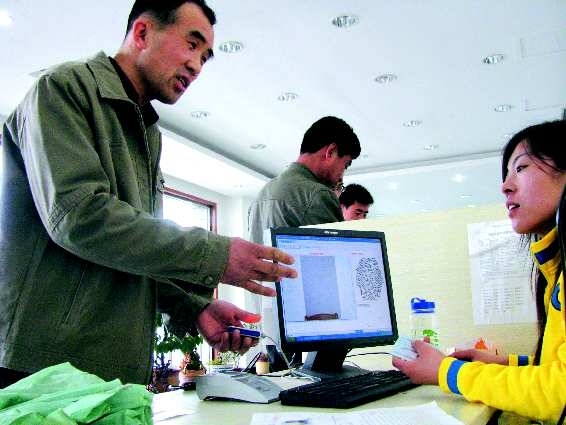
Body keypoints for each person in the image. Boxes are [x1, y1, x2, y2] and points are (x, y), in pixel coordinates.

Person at [0, 0, 297, 388]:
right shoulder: (62, 88)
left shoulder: (149, 133)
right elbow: (78, 217)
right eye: (192, 44)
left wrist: (195, 308)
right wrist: (217, 254)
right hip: (43, 367)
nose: (197, 65)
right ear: (142, 33)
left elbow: (132, 251)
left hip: (114, 369)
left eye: (205, 57)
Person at [393, 120, 566, 422]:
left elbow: (559, 394)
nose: (505, 186)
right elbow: (555, 371)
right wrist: (501, 363)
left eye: (521, 168)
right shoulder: (555, 271)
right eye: (507, 174)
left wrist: (447, 371)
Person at [248, 115, 361, 245]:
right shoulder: (317, 194)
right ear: (331, 152)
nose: (341, 175)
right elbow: (338, 252)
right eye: (345, 164)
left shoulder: (260, 196)